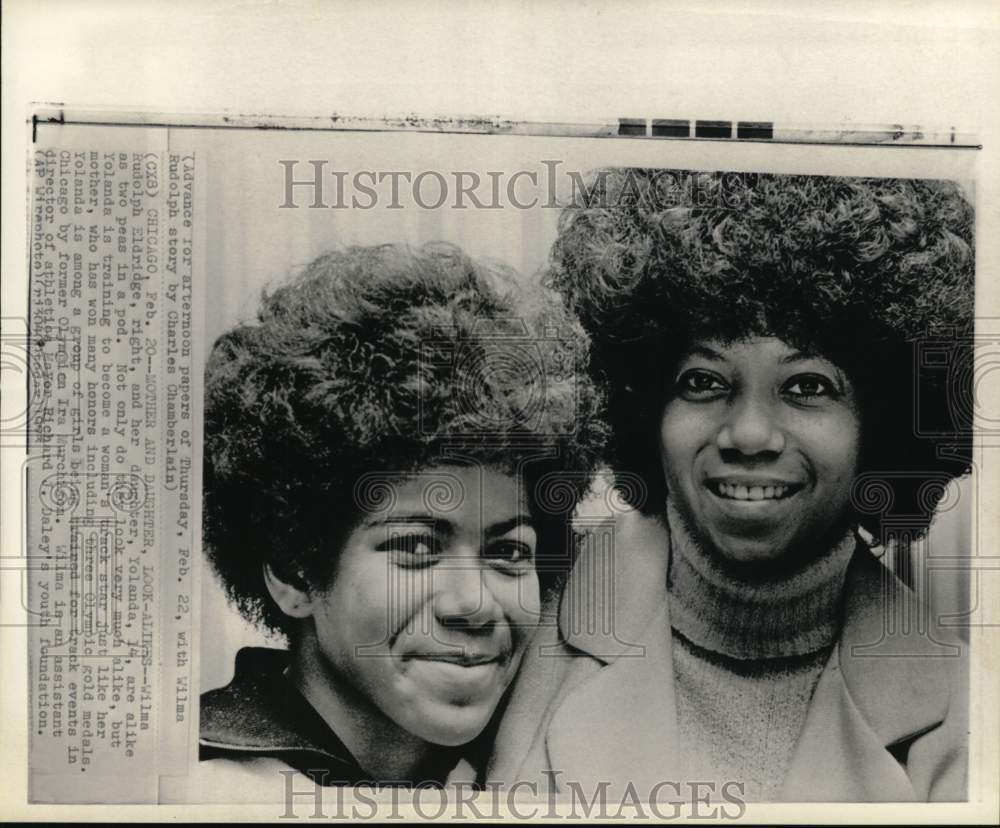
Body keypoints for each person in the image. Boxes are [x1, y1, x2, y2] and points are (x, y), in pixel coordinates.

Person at [488, 170, 974, 803]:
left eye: (807, 386)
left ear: (880, 428)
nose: (748, 434)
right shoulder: (517, 616)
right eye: (702, 381)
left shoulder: (968, 716)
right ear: (643, 407)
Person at [198, 243, 606, 792]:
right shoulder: (198, 792)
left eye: (509, 552)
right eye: (417, 548)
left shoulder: (544, 771)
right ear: (296, 573)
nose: (474, 605)